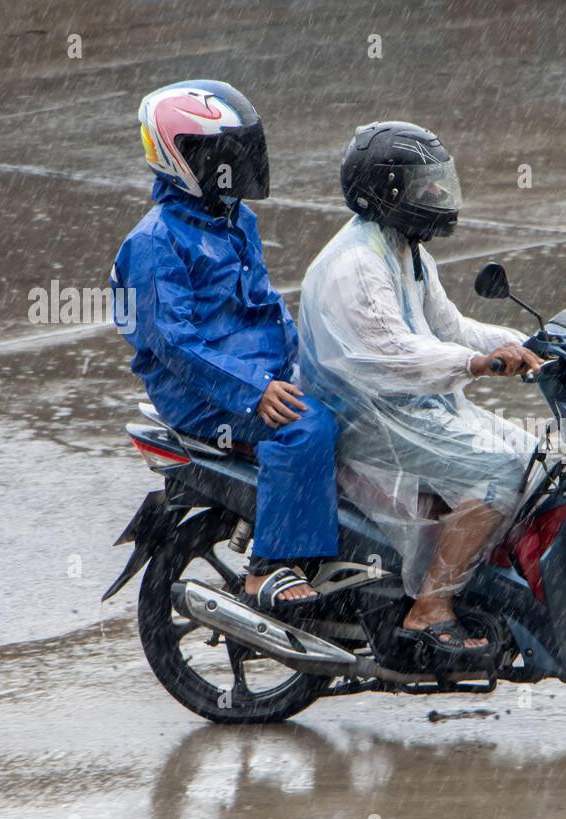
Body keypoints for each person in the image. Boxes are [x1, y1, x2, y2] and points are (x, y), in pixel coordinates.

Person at [297, 121, 543, 664]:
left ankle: (470, 577)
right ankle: (429, 608)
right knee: (501, 470)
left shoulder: (403, 250)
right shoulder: (357, 264)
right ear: (385, 191)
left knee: (534, 457)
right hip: (367, 418)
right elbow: (393, 353)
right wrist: (476, 364)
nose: (436, 196)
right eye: (421, 185)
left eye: (437, 183)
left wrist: (528, 342)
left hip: (406, 406)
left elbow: (449, 328)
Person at [111, 80, 338, 612]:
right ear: (183, 157)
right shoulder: (154, 242)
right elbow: (175, 344)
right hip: (202, 391)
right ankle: (268, 569)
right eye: (224, 155)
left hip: (253, 371)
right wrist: (255, 391)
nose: (237, 165)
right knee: (308, 427)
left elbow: (261, 303)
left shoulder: (235, 219)